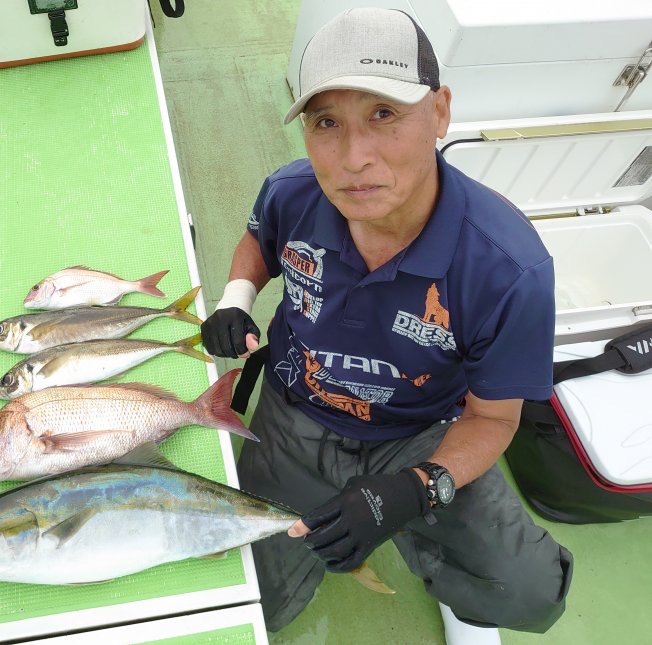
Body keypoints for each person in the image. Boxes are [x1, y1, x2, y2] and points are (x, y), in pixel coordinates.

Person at [200, 7, 573, 644]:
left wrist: (416, 489)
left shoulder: (509, 270)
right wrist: (236, 297)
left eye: (383, 114)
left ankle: (444, 574)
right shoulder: (291, 192)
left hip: (418, 430)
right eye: (326, 122)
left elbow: (493, 420)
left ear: (441, 112)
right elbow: (260, 240)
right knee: (253, 600)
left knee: (527, 591)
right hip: (296, 409)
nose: (353, 159)